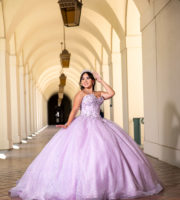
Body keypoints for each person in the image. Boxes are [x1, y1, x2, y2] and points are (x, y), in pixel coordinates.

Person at [9, 70, 163, 200]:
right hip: (83, 125)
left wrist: (101, 80)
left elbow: (112, 93)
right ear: (81, 82)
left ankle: (108, 185)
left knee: (104, 155)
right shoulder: (80, 94)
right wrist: (68, 123)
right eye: (83, 79)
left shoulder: (98, 93)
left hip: (100, 124)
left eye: (88, 78)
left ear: (92, 80)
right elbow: (74, 109)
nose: (85, 80)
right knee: (84, 156)